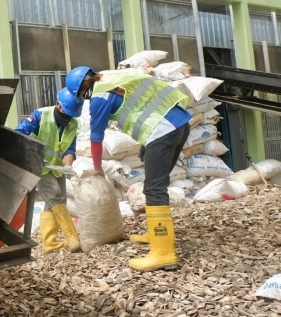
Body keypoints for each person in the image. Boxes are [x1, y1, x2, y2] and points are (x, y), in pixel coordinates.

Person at [65, 66, 191, 271]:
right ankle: (155, 232)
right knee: (158, 183)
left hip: (162, 131)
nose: (82, 97)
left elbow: (96, 139)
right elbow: (143, 105)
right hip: (179, 125)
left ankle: (163, 253)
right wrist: (145, 144)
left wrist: (97, 168)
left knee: (154, 188)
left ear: (84, 87)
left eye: (80, 93)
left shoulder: (100, 96)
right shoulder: (117, 79)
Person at [14, 87, 82, 254]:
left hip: (56, 167)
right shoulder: (40, 116)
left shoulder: (73, 123)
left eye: (71, 115)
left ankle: (49, 243)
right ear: (58, 104)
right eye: (66, 113)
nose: (67, 118)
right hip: (38, 165)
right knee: (55, 197)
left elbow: (69, 149)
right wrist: (31, 153)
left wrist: (68, 166)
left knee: (59, 201)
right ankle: (72, 237)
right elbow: (18, 133)